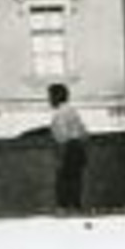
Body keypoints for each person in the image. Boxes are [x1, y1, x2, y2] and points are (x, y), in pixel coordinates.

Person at [47, 83, 89, 212]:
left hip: (67, 148)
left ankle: (64, 207)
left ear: (57, 96)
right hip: (78, 147)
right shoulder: (73, 111)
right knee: (76, 179)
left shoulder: (59, 114)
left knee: (63, 179)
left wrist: (60, 151)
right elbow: (84, 132)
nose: (49, 100)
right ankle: (76, 205)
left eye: (50, 96)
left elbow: (61, 135)